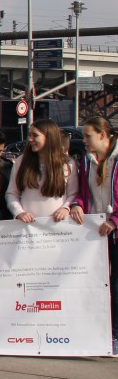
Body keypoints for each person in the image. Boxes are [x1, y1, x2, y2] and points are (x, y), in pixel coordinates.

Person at [69, 116, 118, 354]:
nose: (84, 141)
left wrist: (115, 220)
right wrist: (77, 205)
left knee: (116, 285)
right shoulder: (88, 162)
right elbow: (83, 192)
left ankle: (116, 334)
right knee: (96, 284)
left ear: (103, 135)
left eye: (88, 136)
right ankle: (99, 331)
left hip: (113, 230)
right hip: (95, 232)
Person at [6, 119, 77, 222]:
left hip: (57, 228)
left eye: (35, 135)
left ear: (49, 138)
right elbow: (11, 193)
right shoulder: (22, 161)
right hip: (28, 228)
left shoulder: (67, 163)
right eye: (29, 135)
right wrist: (19, 212)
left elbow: (73, 193)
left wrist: (66, 208)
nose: (30, 139)